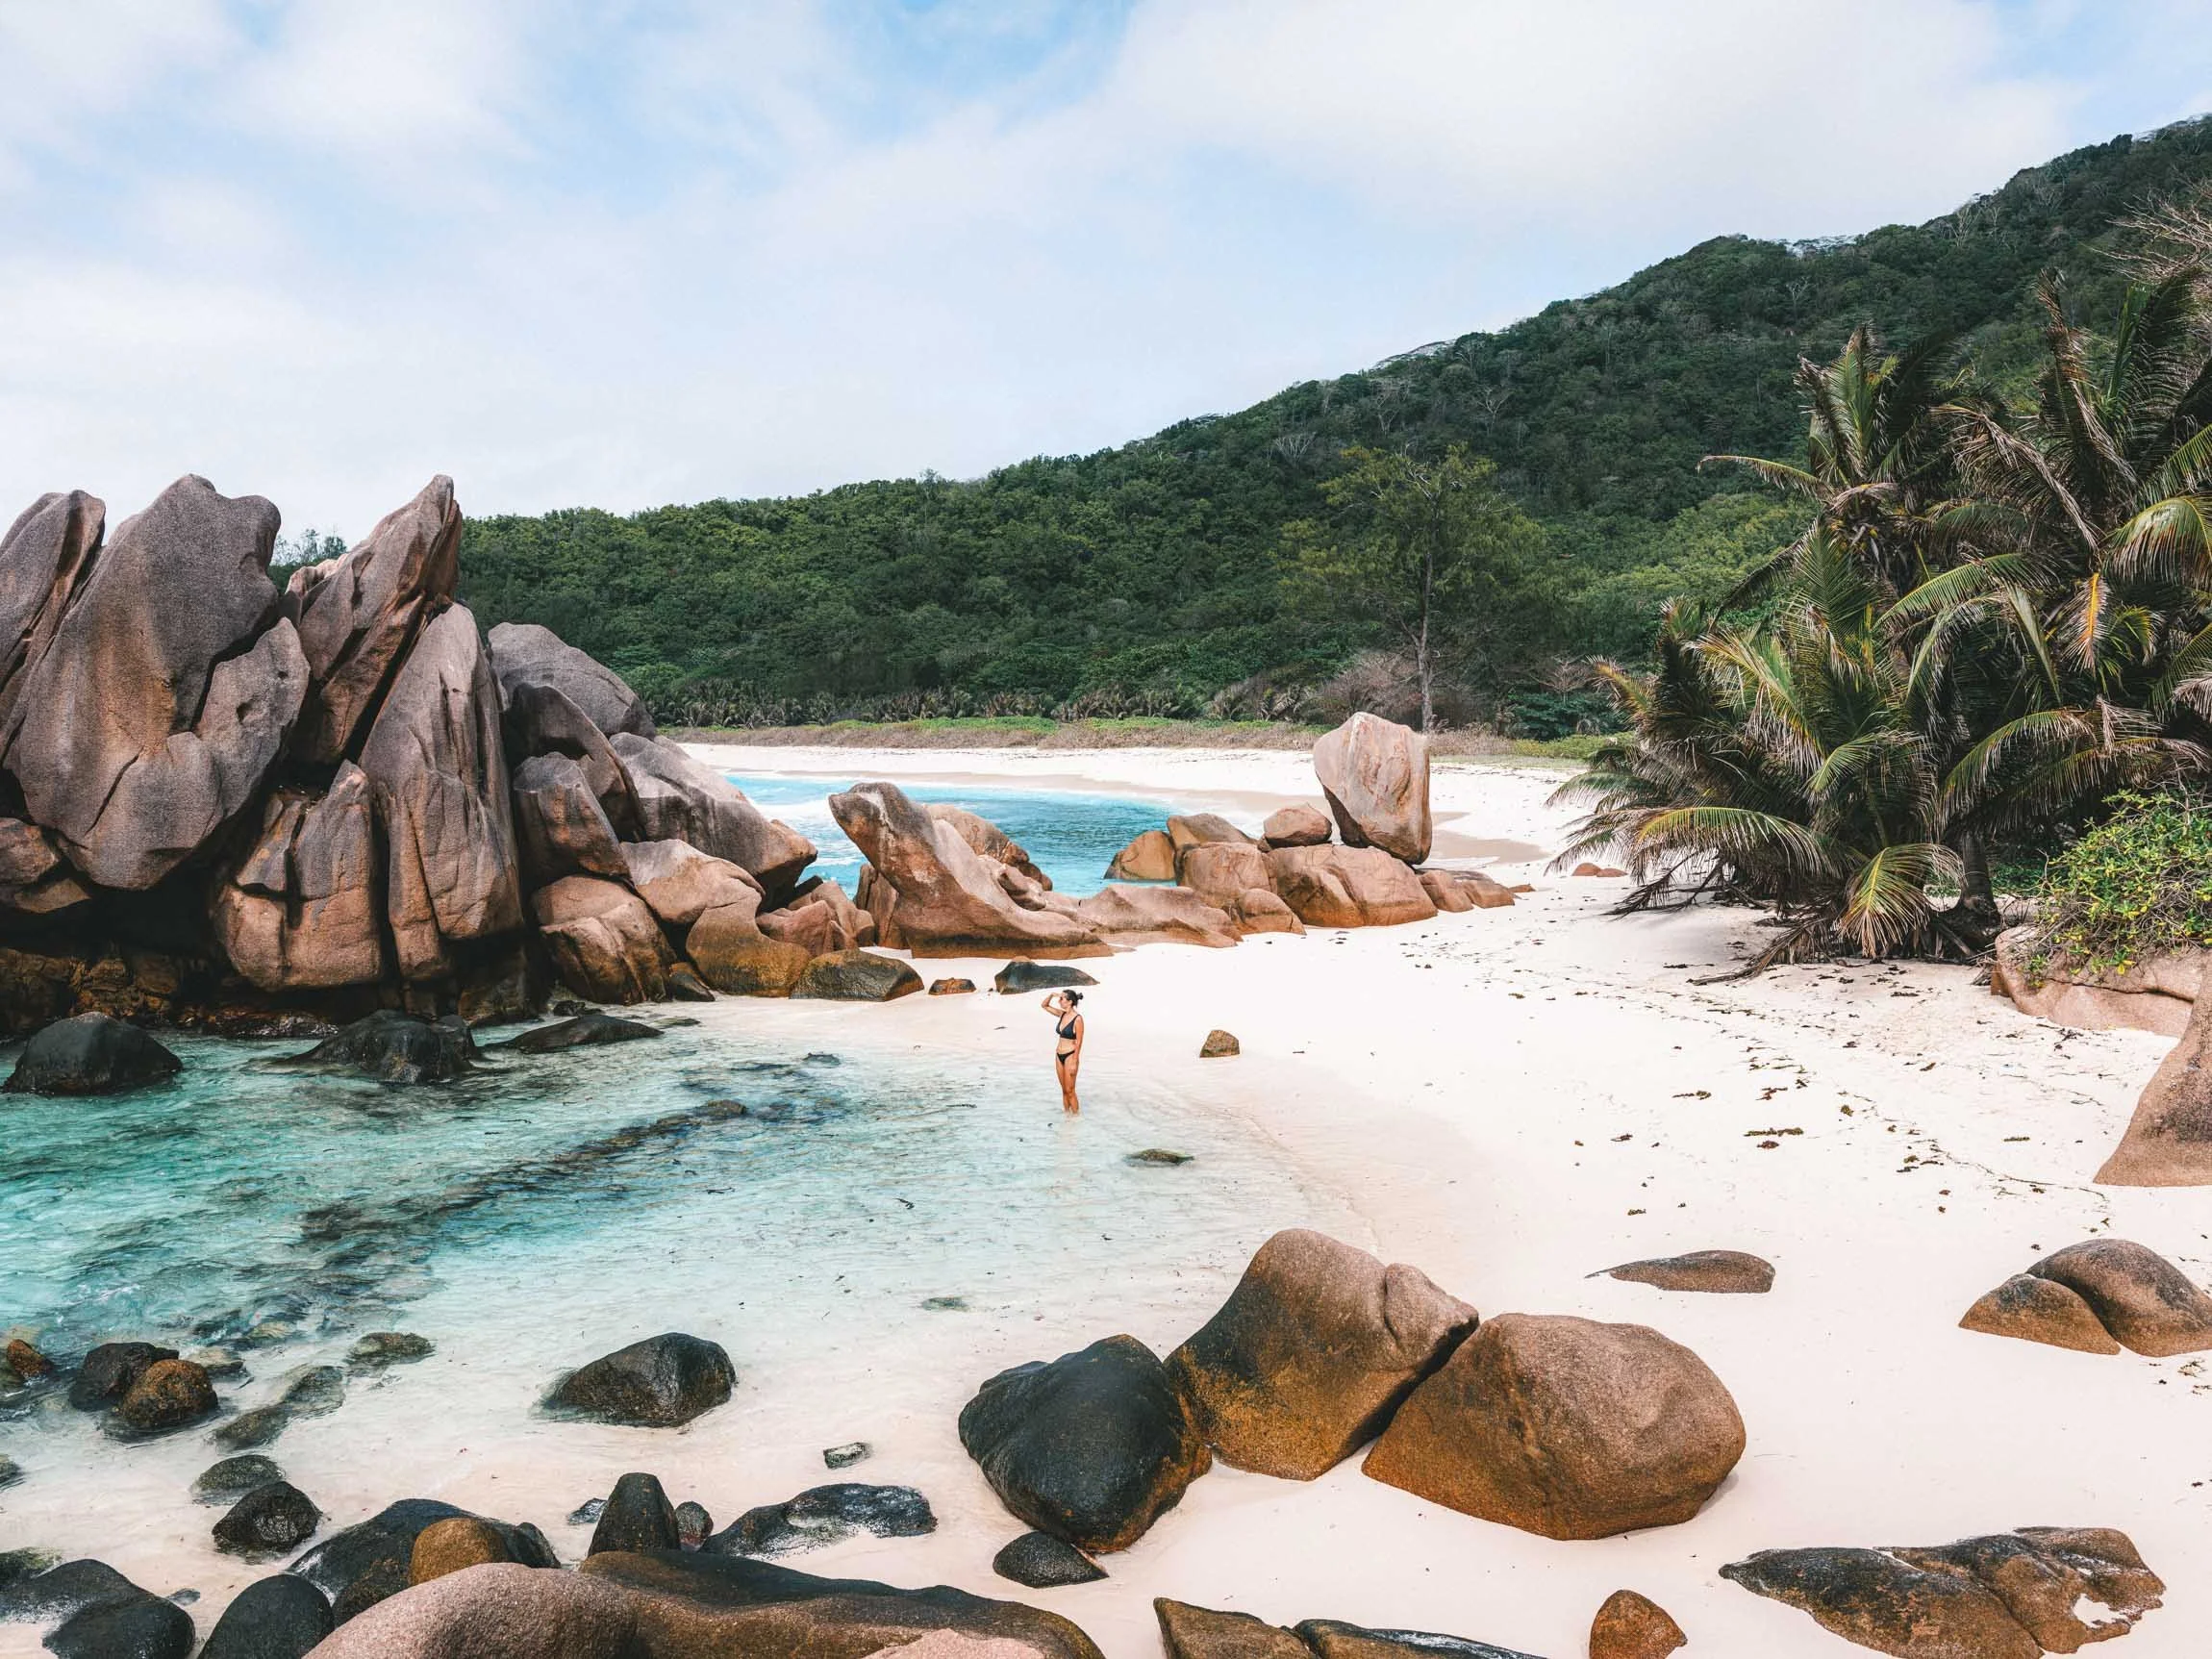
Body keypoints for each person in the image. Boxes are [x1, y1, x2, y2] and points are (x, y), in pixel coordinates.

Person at [1043, 989, 1084, 1115]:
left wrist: (1075, 1062)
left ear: (1070, 1002)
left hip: (1070, 1056)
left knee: (1070, 1090)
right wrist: (1051, 995)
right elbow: (1044, 1005)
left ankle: (1076, 1118)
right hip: (1058, 1055)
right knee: (1064, 1090)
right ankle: (1067, 1118)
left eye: (1062, 999)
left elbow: (1079, 1042)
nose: (1059, 1001)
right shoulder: (1062, 1014)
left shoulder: (1078, 1019)